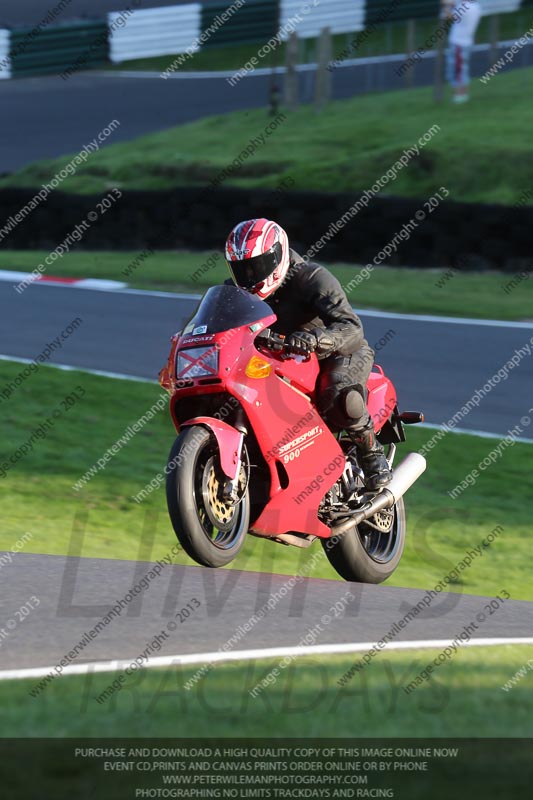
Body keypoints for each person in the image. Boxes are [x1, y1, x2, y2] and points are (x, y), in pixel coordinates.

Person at [224, 218, 392, 491]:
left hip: (339, 352)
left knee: (335, 392)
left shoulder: (311, 277)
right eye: (242, 269)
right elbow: (217, 328)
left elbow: (351, 326)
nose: (250, 276)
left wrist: (316, 339)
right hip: (284, 360)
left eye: (258, 265)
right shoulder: (235, 293)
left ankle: (372, 454)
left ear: (278, 256)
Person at [443, 0, 482, 103]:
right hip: (465, 41)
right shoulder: (475, 7)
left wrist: (447, 5)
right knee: (461, 68)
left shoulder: (464, 7)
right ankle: (462, 94)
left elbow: (449, 16)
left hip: (459, 43)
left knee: (458, 70)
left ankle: (460, 95)